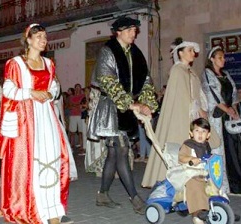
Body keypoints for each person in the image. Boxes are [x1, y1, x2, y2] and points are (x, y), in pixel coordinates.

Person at [0, 23, 72, 224]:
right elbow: (8, 91)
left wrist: (50, 93)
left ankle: (53, 208)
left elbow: (55, 87)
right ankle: (33, 206)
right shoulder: (15, 63)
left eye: (45, 36)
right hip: (26, 119)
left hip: (46, 115)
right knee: (33, 160)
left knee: (53, 156)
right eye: (38, 36)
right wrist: (31, 93)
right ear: (28, 40)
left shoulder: (49, 63)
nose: (43, 40)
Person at [87, 16, 158, 215]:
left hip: (126, 110)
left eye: (135, 30)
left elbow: (145, 81)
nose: (133, 33)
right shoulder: (107, 51)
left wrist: (147, 104)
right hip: (110, 110)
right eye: (129, 30)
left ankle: (102, 194)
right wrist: (132, 104)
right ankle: (135, 198)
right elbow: (108, 82)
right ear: (118, 31)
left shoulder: (136, 53)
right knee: (122, 149)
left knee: (113, 154)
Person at [142, 37, 212, 188]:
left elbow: (197, 93)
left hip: (193, 115)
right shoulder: (177, 71)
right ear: (180, 53)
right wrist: (194, 108)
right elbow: (179, 97)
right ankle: (170, 179)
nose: (193, 53)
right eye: (189, 50)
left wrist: (201, 109)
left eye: (193, 51)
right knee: (178, 146)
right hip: (180, 117)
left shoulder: (191, 71)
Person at [202, 46, 241, 196]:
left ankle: (236, 185)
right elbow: (212, 93)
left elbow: (232, 92)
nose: (223, 60)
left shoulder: (225, 74)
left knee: (232, 147)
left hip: (228, 115)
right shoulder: (208, 73)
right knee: (218, 149)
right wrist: (227, 109)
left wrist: (234, 109)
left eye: (223, 57)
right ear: (212, 59)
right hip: (217, 115)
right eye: (220, 57)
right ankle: (219, 186)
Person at [178, 118, 213, 224]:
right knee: (196, 189)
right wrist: (190, 159)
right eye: (197, 131)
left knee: (214, 187)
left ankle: (219, 208)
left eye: (203, 131)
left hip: (203, 173)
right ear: (191, 133)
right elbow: (181, 158)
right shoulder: (188, 145)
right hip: (190, 173)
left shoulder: (206, 146)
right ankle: (197, 215)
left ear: (208, 135)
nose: (200, 134)